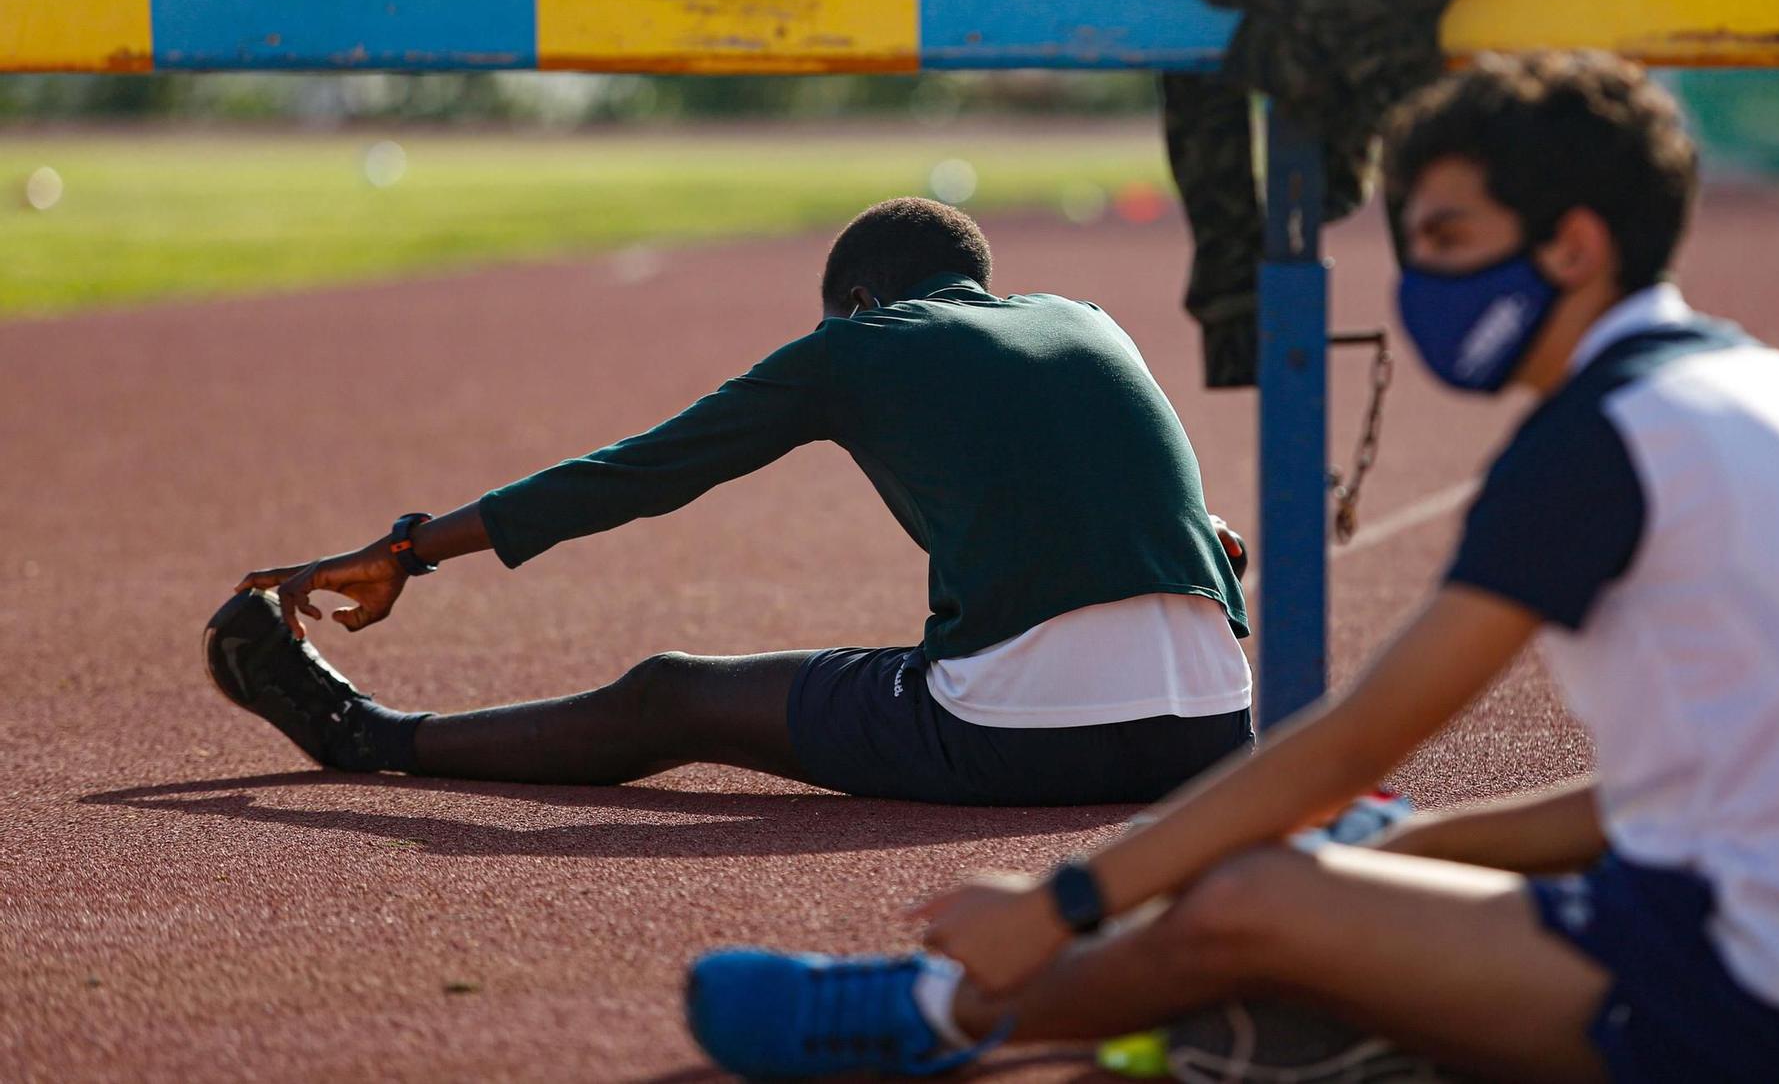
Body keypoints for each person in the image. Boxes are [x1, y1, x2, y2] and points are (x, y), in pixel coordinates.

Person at [686, 53, 1779, 1082]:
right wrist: (1394, 848)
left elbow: (1356, 733)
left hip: (1767, 1006)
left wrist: (1061, 898)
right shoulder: (1747, 381)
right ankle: (1308, 1014)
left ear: (1571, 245)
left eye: (1452, 235)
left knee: (1257, 898)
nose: (1420, 277)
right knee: (1356, 841)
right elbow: (1673, 795)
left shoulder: (1597, 443)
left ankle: (943, 1012)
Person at [207, 197, 1255, 807]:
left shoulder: (855, 346)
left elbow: (637, 470)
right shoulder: (1084, 321)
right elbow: (1208, 531)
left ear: (853, 301)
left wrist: (410, 546)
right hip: (1211, 732)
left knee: (672, 692)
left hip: (1020, 736)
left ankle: (369, 734)